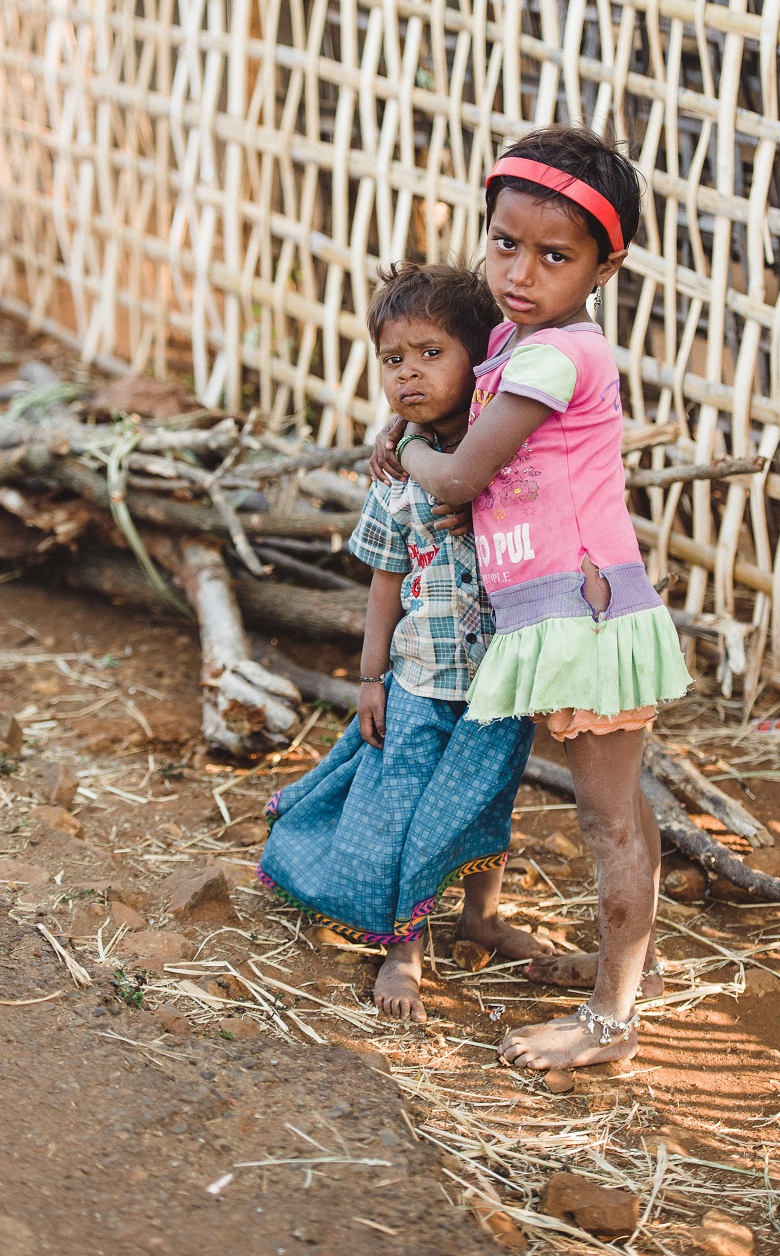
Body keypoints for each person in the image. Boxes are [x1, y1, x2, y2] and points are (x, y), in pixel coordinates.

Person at [371, 126, 689, 1068]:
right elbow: (457, 384)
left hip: (585, 620)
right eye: (506, 243)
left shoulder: (561, 357)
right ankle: (625, 970)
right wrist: (404, 414)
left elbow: (463, 475)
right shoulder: (517, 340)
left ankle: (611, 1023)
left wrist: (407, 451)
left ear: (604, 269)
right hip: (551, 612)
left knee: (609, 819)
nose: (521, 271)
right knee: (609, 813)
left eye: (556, 256)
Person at [257, 264, 552, 1025]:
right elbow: (385, 581)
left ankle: (480, 920)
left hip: (502, 684)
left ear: (481, 359)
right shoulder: (396, 475)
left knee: (488, 807)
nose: (410, 373)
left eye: (431, 353)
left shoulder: (508, 466)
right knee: (410, 817)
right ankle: (405, 947)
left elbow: (548, 535)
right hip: (420, 682)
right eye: (394, 359)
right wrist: (369, 680)